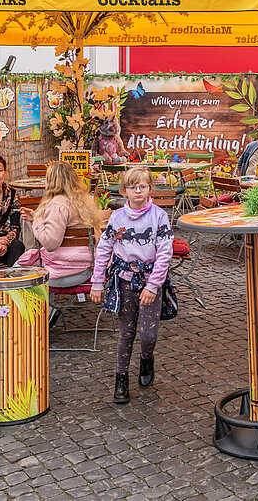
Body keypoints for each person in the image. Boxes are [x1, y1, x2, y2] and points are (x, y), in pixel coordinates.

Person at [90, 166, 174, 404]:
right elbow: (104, 248)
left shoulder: (159, 216)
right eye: (133, 187)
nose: (138, 191)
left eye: (143, 186)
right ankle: (121, 378)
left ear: (150, 189)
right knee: (126, 332)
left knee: (148, 334)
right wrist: (97, 281)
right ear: (124, 190)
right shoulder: (117, 218)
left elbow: (165, 253)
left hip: (149, 282)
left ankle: (147, 358)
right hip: (125, 281)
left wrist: (153, 285)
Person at [18, 160, 104, 285]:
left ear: (52, 182)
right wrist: (36, 215)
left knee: (18, 268)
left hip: (65, 271)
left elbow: (51, 244)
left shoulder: (58, 206)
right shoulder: (83, 200)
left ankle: (34, 304)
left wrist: (37, 220)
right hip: (89, 266)